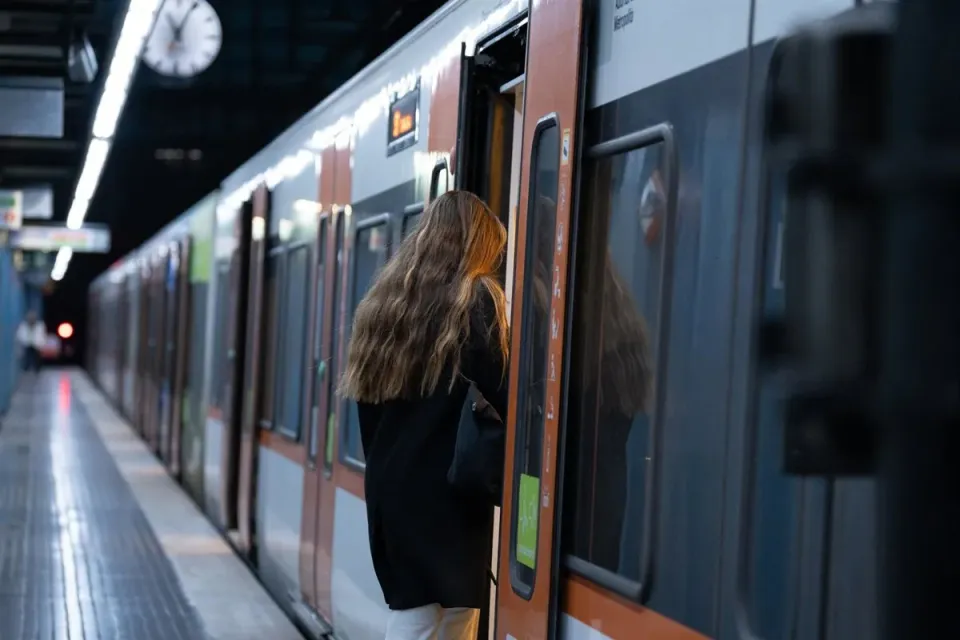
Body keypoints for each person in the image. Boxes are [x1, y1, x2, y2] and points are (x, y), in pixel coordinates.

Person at [339, 190, 510, 640]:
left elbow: (367, 404)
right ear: (476, 245)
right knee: (453, 617)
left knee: (414, 612)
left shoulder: (384, 304)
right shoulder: (477, 300)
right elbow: (501, 392)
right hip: (451, 492)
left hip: (393, 490)